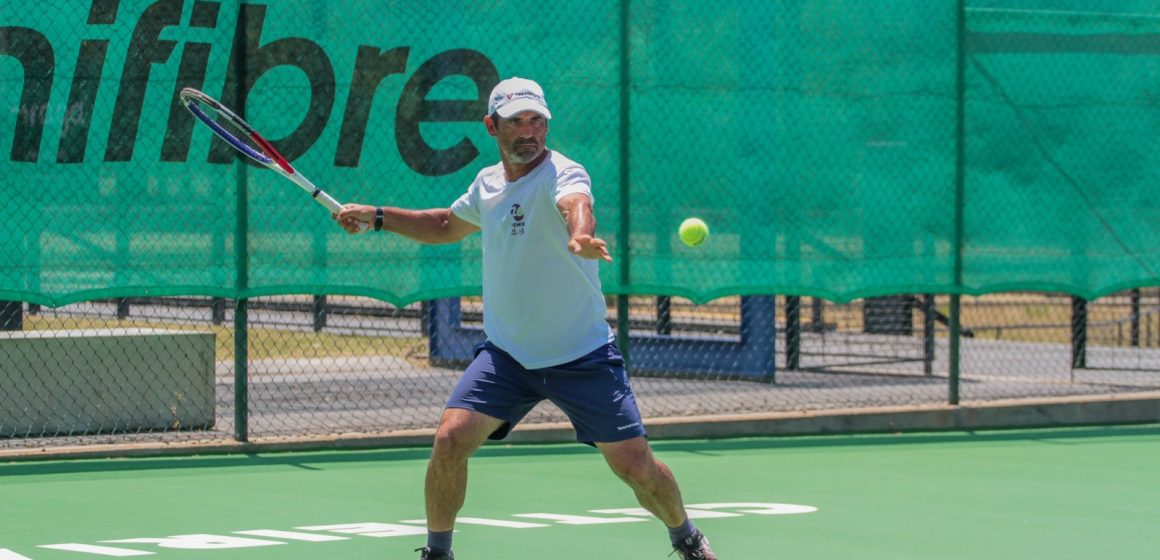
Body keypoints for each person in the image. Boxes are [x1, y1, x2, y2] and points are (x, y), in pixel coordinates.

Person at [335, 77, 718, 560]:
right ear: (491, 126)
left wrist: (580, 235)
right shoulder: (487, 184)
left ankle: (686, 537)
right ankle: (438, 552)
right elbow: (446, 225)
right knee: (450, 439)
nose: (529, 131)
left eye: (537, 120)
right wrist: (378, 216)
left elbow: (576, 204)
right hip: (508, 358)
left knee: (635, 466)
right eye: (516, 121)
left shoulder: (564, 172)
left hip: (582, 355)